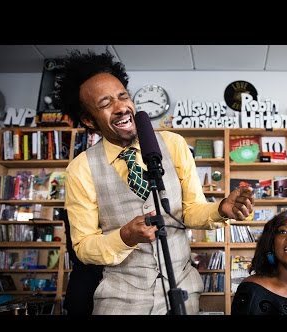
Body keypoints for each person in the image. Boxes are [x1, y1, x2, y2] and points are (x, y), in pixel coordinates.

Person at [57, 49, 254, 315]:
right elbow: (83, 247)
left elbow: (190, 211)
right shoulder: (80, 169)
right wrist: (124, 237)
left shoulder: (173, 144)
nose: (121, 108)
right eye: (105, 104)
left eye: (123, 96)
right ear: (89, 120)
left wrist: (221, 210)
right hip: (120, 298)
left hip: (181, 291)